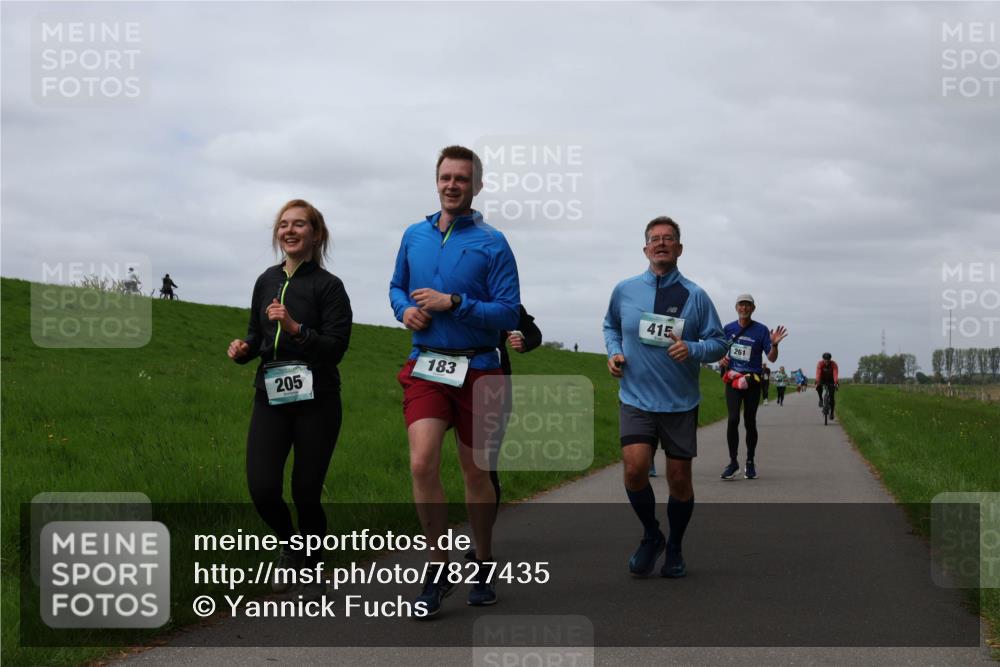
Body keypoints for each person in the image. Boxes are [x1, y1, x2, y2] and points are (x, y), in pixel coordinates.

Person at [389, 145, 521, 615]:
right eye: (445, 177)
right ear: (436, 181)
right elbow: (395, 286)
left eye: (461, 178)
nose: (451, 184)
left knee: (475, 472)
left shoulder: (494, 242)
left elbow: (509, 311)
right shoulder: (413, 235)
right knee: (423, 463)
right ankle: (437, 566)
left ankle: (482, 562)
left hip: (481, 369)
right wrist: (404, 309)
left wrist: (456, 303)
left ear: (476, 186)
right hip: (427, 364)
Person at [227, 199, 352, 601]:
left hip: (317, 398)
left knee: (305, 490)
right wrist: (244, 348)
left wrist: (296, 328)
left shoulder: (329, 287)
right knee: (262, 488)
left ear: (316, 234)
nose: (290, 230)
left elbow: (335, 348)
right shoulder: (266, 280)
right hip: (271, 395)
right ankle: (292, 546)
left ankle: (313, 566)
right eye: (284, 225)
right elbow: (257, 334)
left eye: (300, 224)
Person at [603, 216, 726, 579]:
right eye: (654, 239)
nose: (661, 243)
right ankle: (652, 535)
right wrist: (614, 353)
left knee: (679, 481)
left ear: (679, 248)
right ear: (645, 248)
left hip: (679, 402)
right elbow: (610, 325)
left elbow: (719, 342)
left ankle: (675, 546)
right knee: (635, 468)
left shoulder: (696, 296)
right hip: (636, 397)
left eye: (668, 239)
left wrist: (693, 348)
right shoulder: (624, 290)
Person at [719, 294, 788, 480]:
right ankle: (733, 462)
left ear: (753, 308)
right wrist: (721, 358)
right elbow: (719, 350)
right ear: (736, 307)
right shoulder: (728, 329)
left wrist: (774, 344)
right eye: (741, 305)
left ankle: (750, 462)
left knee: (750, 421)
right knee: (733, 419)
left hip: (752, 381)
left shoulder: (761, 330)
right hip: (733, 380)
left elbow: (772, 358)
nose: (744, 308)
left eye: (748, 305)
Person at [815, 352, 840, 419]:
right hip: (822, 379)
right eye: (825, 360)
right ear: (823, 359)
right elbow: (818, 373)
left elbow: (835, 373)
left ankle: (831, 413)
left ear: (830, 359)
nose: (826, 362)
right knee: (818, 387)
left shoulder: (834, 364)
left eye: (828, 360)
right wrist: (817, 381)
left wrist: (836, 382)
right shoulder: (820, 364)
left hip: (831, 380)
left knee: (832, 397)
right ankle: (820, 399)